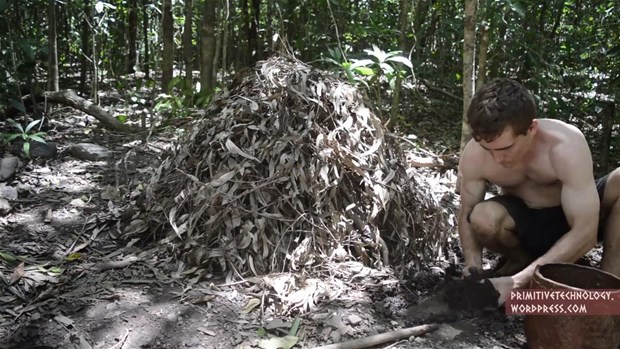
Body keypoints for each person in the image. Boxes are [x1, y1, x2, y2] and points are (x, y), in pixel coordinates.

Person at [457, 78, 620, 305]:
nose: (497, 158)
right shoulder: (475, 155)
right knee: (481, 217)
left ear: (531, 129)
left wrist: (516, 284)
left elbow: (586, 232)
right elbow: (466, 211)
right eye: (488, 149)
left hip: (573, 218)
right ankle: (523, 262)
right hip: (526, 224)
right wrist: (472, 267)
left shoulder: (565, 145)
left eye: (506, 148)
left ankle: (608, 285)